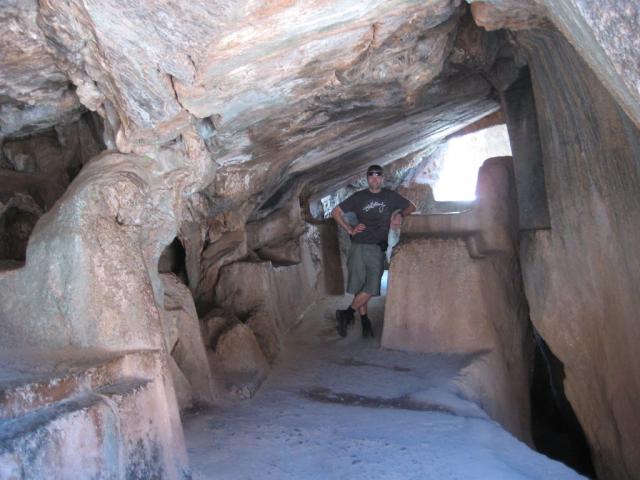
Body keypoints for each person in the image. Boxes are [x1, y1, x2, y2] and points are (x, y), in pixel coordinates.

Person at [331, 164, 416, 338]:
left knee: (371, 288)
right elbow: (336, 212)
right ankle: (364, 321)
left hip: (377, 247)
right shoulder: (359, 197)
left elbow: (411, 207)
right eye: (371, 176)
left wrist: (399, 214)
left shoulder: (390, 196)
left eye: (378, 176)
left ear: (382, 179)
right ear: (367, 179)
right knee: (361, 286)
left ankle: (346, 314)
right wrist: (349, 229)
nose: (375, 179)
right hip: (358, 246)